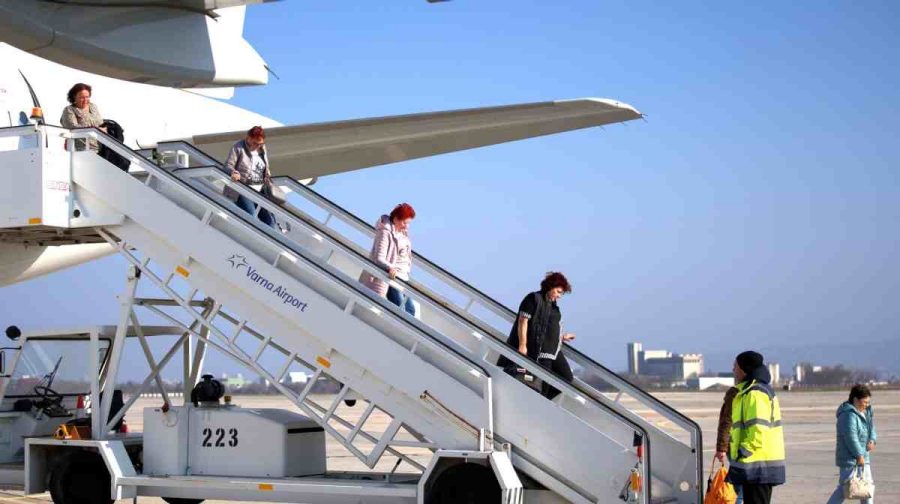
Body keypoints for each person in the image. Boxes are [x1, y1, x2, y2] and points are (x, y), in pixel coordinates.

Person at [497, 272, 575, 399]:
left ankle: (540, 402)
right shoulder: (533, 299)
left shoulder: (553, 305)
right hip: (541, 350)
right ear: (550, 286)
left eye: (561, 293)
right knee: (542, 384)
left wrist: (561, 337)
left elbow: (548, 327)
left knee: (567, 378)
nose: (559, 296)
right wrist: (522, 345)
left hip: (554, 350)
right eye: (558, 291)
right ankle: (538, 403)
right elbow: (523, 321)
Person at [725, 351, 786, 504]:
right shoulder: (748, 392)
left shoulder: (755, 394)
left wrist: (741, 453)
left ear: (744, 369)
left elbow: (758, 432)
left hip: (758, 466)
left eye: (735, 366)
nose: (733, 370)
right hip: (755, 466)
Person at [360, 203, 416, 316]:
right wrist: (391, 268)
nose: (407, 226)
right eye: (405, 222)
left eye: (408, 223)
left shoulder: (402, 233)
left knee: (410, 309)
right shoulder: (385, 233)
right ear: (396, 219)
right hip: (393, 278)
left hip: (403, 277)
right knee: (401, 310)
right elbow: (379, 258)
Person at [826, 384, 877, 504]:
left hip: (864, 458)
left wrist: (872, 439)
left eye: (868, 402)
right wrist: (859, 455)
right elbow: (851, 437)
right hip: (850, 459)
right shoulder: (848, 415)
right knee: (845, 489)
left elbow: (871, 427)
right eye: (864, 402)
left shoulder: (866, 411)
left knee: (866, 488)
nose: (866, 405)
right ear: (855, 399)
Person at [223, 126, 275, 228]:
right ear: (248, 138)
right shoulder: (238, 147)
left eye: (260, 144)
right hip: (243, 189)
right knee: (252, 217)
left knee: (270, 221)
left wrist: (267, 174)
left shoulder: (262, 149)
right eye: (255, 143)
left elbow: (264, 167)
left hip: (260, 190)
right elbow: (228, 165)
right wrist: (233, 172)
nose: (257, 146)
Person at [715, 386, 743, 504]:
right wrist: (721, 447)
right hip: (737, 447)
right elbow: (727, 422)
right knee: (741, 486)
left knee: (740, 485)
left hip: (740, 447)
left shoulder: (739, 392)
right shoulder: (736, 394)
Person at [60, 83, 105, 151]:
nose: (85, 100)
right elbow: (72, 127)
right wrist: (96, 129)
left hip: (100, 148)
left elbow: (100, 122)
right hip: (81, 150)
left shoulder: (93, 106)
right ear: (74, 97)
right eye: (82, 97)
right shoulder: (69, 110)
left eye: (87, 97)